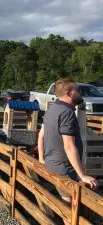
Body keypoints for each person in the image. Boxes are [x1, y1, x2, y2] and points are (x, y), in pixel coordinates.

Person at [40, 77, 99, 206]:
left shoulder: (52, 109)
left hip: (53, 165)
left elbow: (41, 136)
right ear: (69, 93)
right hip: (64, 170)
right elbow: (69, 146)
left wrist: (42, 158)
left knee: (68, 206)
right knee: (69, 208)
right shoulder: (67, 113)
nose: (80, 93)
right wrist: (82, 175)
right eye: (78, 90)